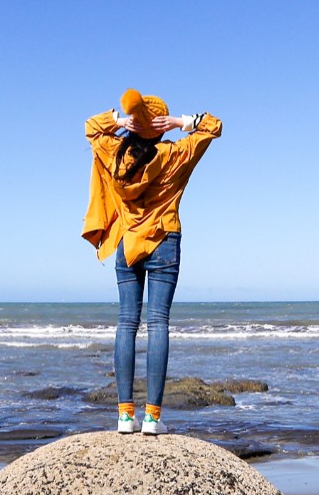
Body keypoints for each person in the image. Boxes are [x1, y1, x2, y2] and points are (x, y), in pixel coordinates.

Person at [82, 90, 223, 436]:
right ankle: (152, 418)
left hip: (128, 244)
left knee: (126, 323)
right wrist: (181, 122)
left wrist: (117, 120)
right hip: (164, 241)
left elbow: (91, 128)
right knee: (158, 324)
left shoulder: (115, 153)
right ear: (160, 126)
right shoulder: (175, 153)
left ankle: (124, 416)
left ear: (135, 126)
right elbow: (213, 127)